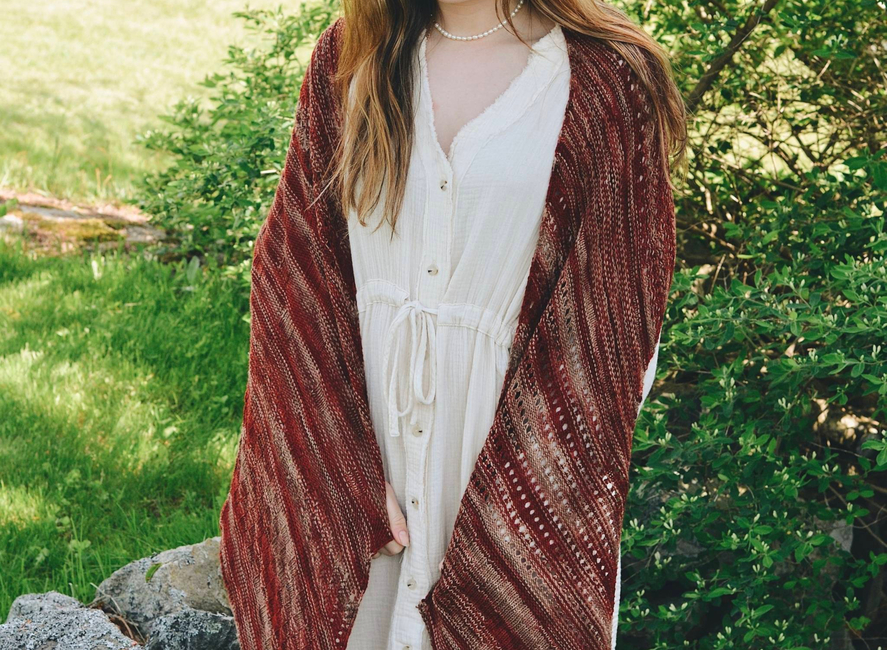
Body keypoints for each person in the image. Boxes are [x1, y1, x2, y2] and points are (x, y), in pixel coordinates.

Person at [219, 1, 686, 648]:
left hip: (516, 472)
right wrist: (337, 474)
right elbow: (294, 278)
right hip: (361, 469)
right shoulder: (351, 56)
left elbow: (615, 333)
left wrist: (512, 520)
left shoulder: (604, 79)